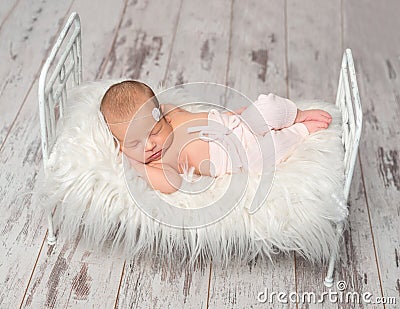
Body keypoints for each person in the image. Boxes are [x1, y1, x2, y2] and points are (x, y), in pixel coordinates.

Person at [100, 80, 332, 194]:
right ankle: (300, 132)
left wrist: (231, 115)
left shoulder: (169, 113)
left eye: (154, 131)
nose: (149, 144)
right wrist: (137, 165)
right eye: (134, 143)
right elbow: (172, 185)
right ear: (119, 146)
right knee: (267, 153)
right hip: (237, 155)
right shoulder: (158, 161)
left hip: (235, 124)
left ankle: (298, 114)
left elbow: (190, 112)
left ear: (160, 114)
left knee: (267, 106)